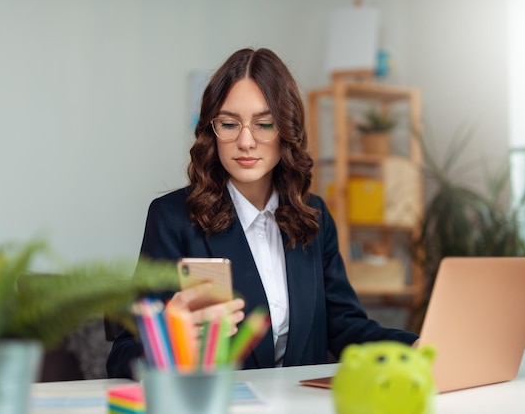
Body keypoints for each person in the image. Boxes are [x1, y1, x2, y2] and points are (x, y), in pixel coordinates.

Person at [106, 47, 418, 379]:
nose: (245, 141)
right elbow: (122, 357)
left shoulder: (314, 216)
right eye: (229, 124)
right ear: (212, 130)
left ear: (286, 129)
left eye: (264, 124)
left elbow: (345, 327)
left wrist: (416, 347)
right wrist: (168, 338)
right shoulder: (172, 218)